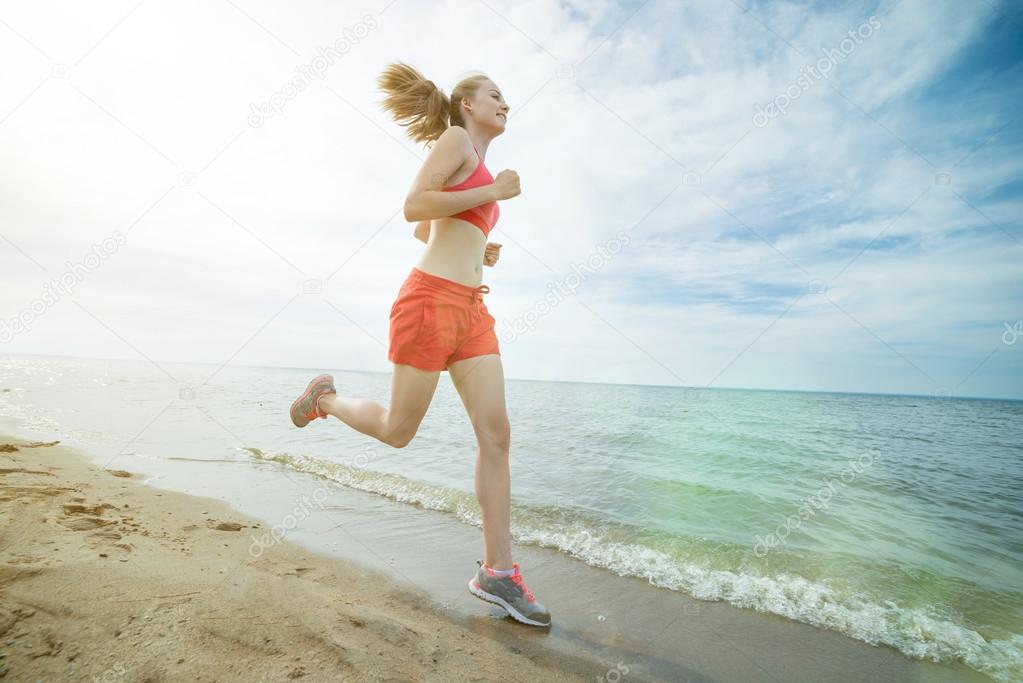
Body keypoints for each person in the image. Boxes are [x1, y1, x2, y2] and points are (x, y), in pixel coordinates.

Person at [288, 62, 550, 627]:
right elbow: (414, 206)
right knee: (399, 432)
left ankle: (499, 574)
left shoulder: (475, 163)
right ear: (467, 107)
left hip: (472, 309)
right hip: (429, 302)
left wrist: (479, 244)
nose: (506, 103)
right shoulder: (457, 141)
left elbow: (428, 227)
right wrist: (492, 190)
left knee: (497, 434)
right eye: (496, 94)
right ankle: (324, 400)